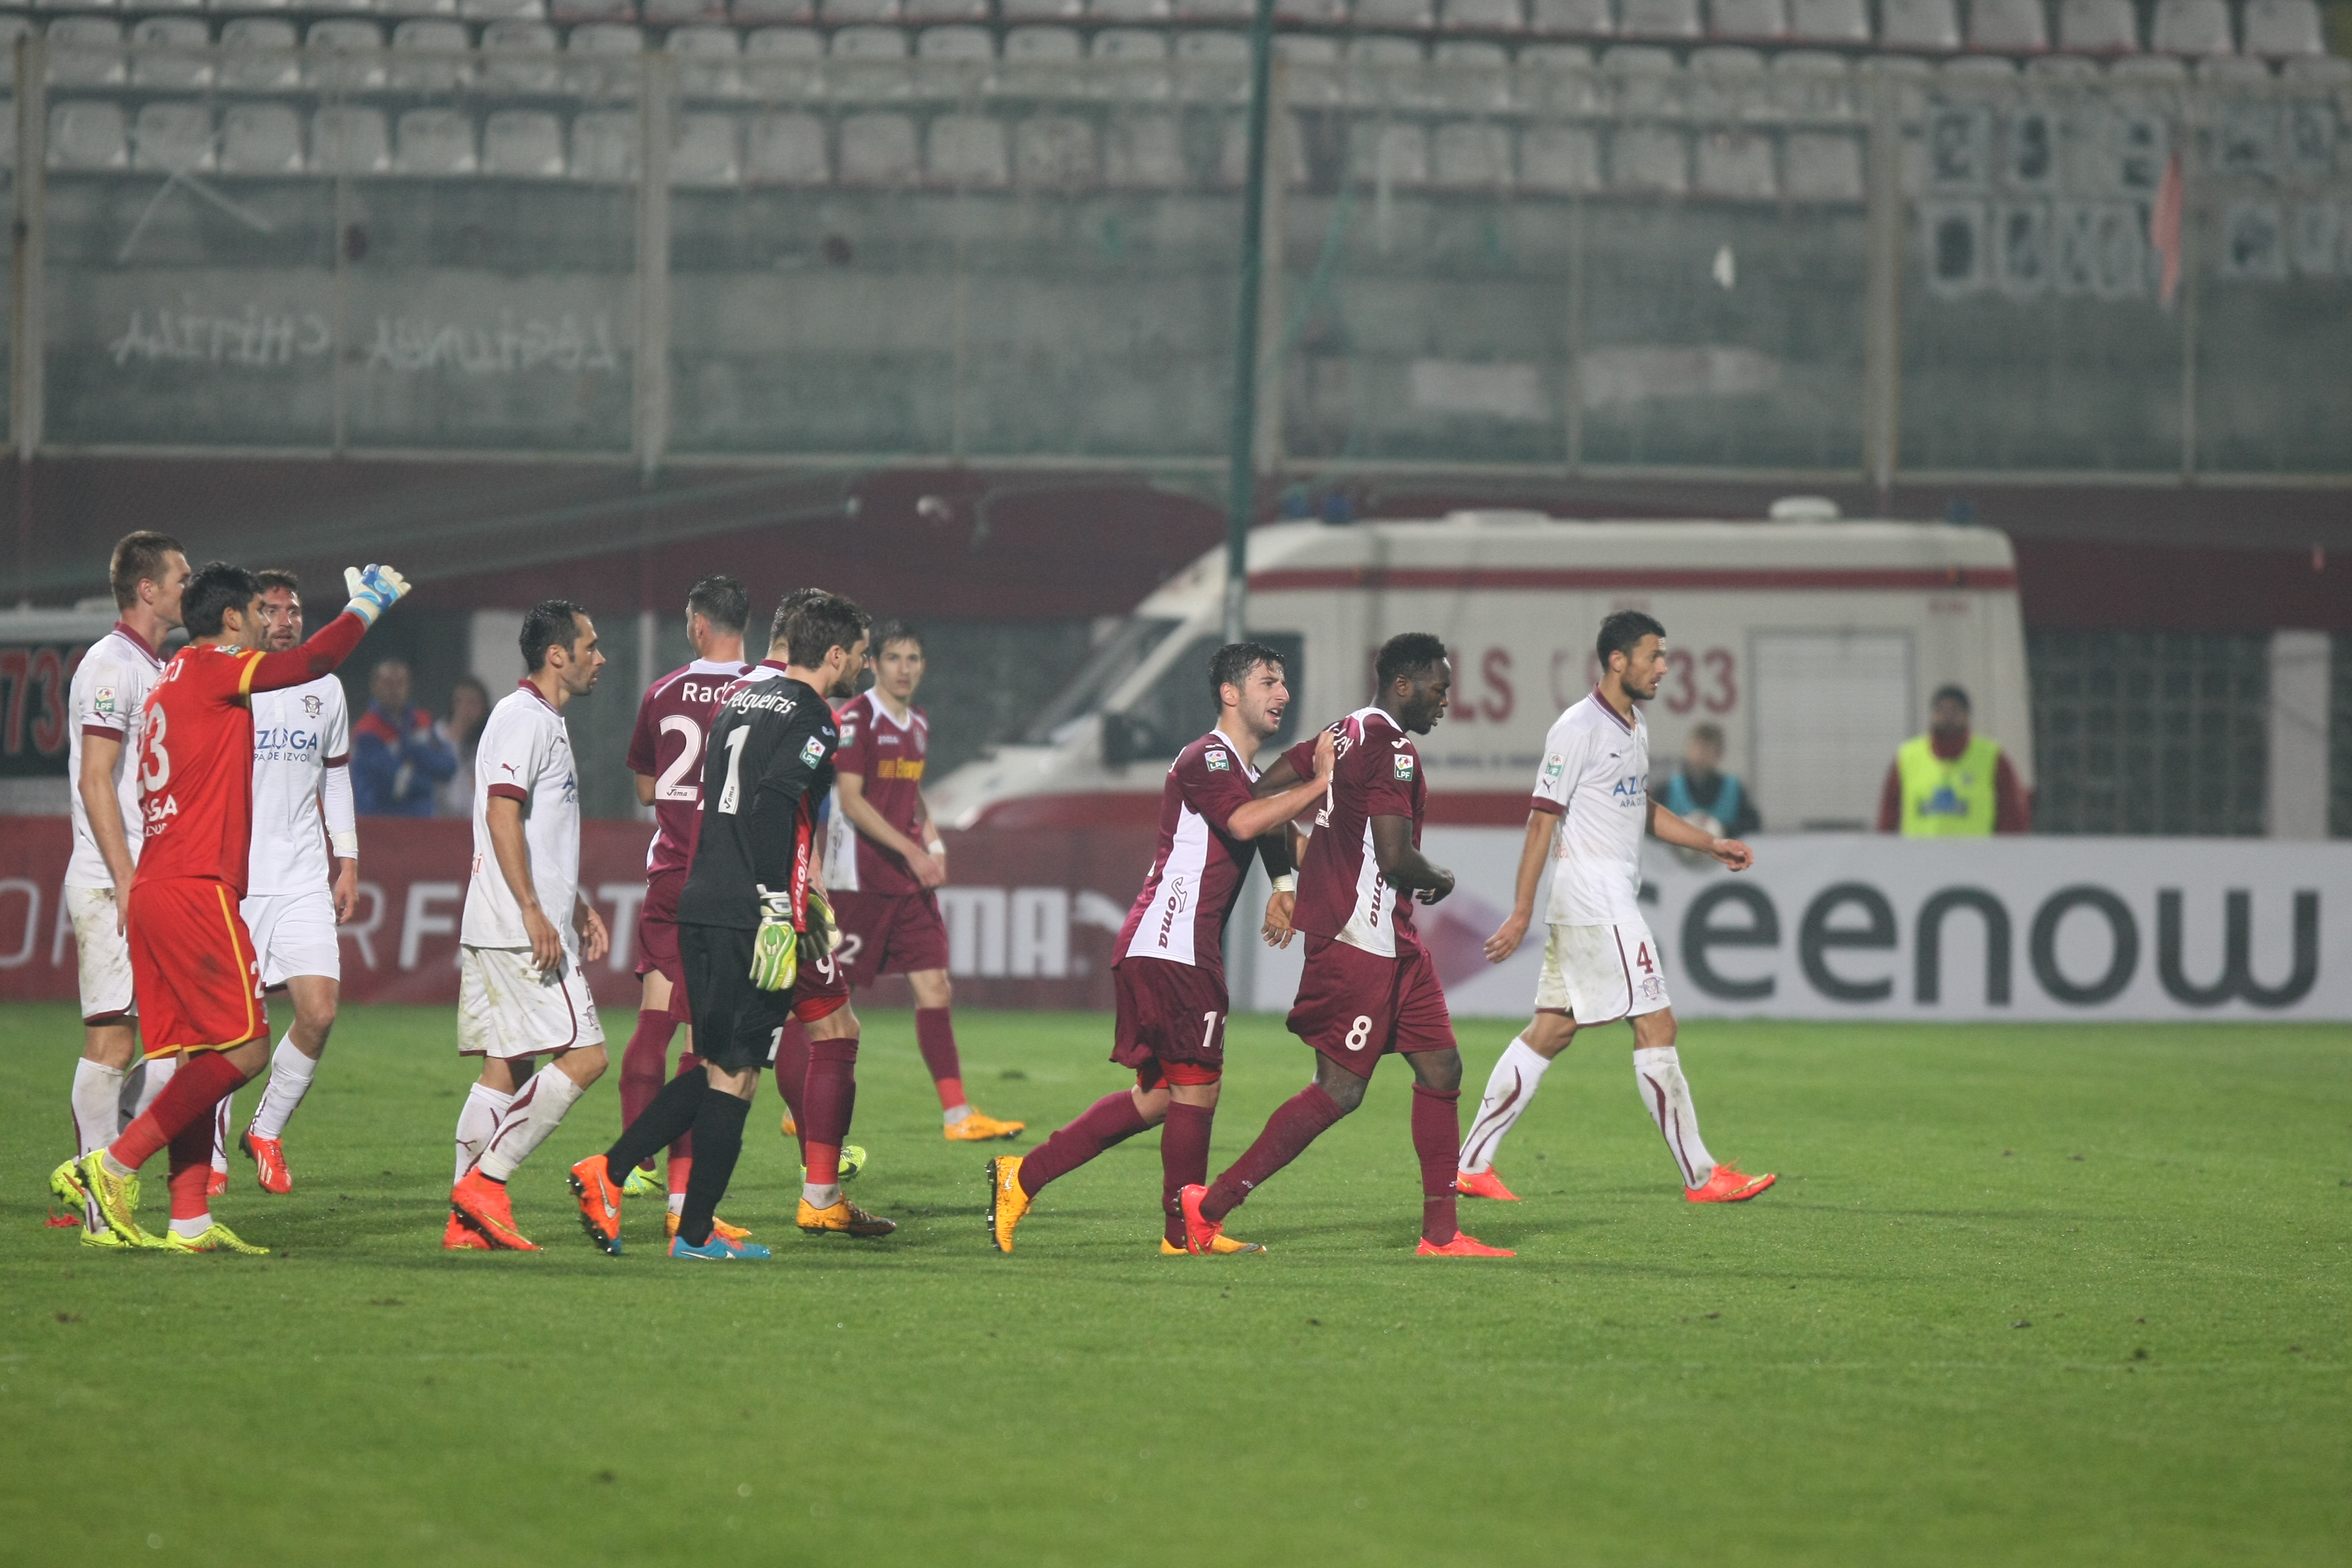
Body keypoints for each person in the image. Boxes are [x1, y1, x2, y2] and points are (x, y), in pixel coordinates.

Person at [73, 561, 408, 1254]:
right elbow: (313, 658)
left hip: (161, 881)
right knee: (246, 1046)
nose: (267, 623)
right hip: (199, 883)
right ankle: (111, 1164)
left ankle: (189, 1216)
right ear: (231, 622)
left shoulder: (169, 676)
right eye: (258, 613)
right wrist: (366, 607)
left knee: (197, 1053)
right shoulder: (214, 667)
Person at [570, 590, 894, 1257]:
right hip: (754, 915)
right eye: (860, 656)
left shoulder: (739, 700)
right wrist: (780, 904)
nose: (863, 667)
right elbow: (775, 805)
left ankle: (656, 1207)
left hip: (701, 901)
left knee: (726, 1065)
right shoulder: (814, 719)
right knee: (738, 1072)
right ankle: (638, 1190)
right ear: (833, 655)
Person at [987, 642, 1336, 1256]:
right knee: (1197, 1087)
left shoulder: (1242, 774)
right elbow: (1248, 824)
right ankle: (1185, 1233)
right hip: (1174, 946)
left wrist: (1320, 876)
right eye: (1268, 682)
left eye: (1284, 683)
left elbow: (1277, 831)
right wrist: (1324, 781)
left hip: (1171, 946)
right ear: (1230, 694)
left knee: (1160, 1098)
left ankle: (1024, 1176)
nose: (1282, 694)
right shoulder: (1206, 757)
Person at [1177, 633, 1514, 1259]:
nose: (1445, 702)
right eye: (1439, 690)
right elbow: (1394, 856)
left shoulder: (1346, 729)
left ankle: (1441, 1236)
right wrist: (1439, 877)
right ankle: (1212, 1205)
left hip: (1394, 940)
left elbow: (1260, 796)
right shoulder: (1391, 748)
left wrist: (1302, 867)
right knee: (1339, 1090)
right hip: (1360, 940)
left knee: (1442, 1067)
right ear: (1405, 686)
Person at [1457, 610, 1775, 1207]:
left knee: (1552, 1029)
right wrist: (1522, 910)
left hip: (1601, 898)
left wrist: (1709, 843)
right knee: (1657, 1024)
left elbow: (1641, 808)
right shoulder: (1578, 728)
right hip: (1594, 898)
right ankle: (1703, 1177)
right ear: (1617, 661)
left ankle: (1471, 1164)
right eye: (1654, 656)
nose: (1664, 667)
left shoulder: (1635, 726)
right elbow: (1540, 822)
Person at [443, 601, 614, 1252]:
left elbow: (538, 833)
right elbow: (501, 816)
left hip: (507, 919)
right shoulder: (523, 719)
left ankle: (465, 1224)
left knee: (504, 1070)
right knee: (588, 1056)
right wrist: (535, 911)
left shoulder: (540, 719)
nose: (600, 658)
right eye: (590, 646)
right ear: (557, 655)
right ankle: (487, 1182)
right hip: (518, 928)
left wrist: (574, 903)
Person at [826, 619, 1022, 1143]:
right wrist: (914, 850)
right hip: (859, 880)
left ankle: (958, 1115)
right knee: (829, 1001)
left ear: (923, 666)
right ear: (873, 664)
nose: (904, 668)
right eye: (894, 658)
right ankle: (807, 1100)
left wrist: (932, 843)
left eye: (913, 659)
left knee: (936, 987)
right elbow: (850, 799)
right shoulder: (856, 718)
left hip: (908, 882)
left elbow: (911, 792)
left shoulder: (916, 723)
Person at [48, 532, 190, 1246]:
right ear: (147, 589)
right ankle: (100, 1202)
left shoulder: (151, 665)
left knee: (182, 1048)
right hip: (113, 882)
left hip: (143, 878)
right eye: (180, 577)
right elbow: (95, 778)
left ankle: (101, 1167)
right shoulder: (109, 666)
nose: (187, 589)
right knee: (112, 1039)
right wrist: (128, 878)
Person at [616, 574, 756, 1236]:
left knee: (653, 1021)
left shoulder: (663, 692)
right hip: (727, 883)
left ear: (699, 625)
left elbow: (646, 788)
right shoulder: (766, 694)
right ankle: (681, 1205)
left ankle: (622, 1173)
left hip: (670, 875)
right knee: (711, 1044)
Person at [230, 570, 359, 1196]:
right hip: (238, 882)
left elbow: (335, 775)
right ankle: (206, 1153)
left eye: (295, 610)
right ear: (250, 616)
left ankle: (267, 1129)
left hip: (305, 876)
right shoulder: (231, 681)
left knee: (320, 1011)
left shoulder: (325, 687)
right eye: (273, 609)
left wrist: (349, 859)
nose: (286, 620)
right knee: (228, 1029)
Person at [1875, 684, 2031, 835]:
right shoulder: (1908, 757)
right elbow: (1889, 812)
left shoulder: (1992, 758)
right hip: (1921, 858)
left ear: (1966, 715)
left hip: (1975, 858)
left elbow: (2012, 813)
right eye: (1942, 710)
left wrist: (2007, 854)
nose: (1947, 716)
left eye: (1955, 710)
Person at [351, 658, 456, 817]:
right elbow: (389, 783)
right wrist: (426, 778)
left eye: (400, 683)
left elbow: (448, 766)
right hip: (381, 821)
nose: (394, 689)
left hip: (422, 820)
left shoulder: (422, 721)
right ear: (375, 686)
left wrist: (414, 753)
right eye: (388, 683)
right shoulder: (367, 730)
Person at [1659, 722, 1760, 841]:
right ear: (1688, 750)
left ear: (1719, 755)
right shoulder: (1668, 789)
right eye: (1697, 748)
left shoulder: (1734, 789)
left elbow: (1754, 823)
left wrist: (1723, 829)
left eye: (1707, 751)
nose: (1701, 756)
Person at [435, 676, 491, 819]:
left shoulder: (490, 740)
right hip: (441, 815)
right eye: (459, 702)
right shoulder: (437, 735)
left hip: (475, 818)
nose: (465, 709)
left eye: (472, 703)